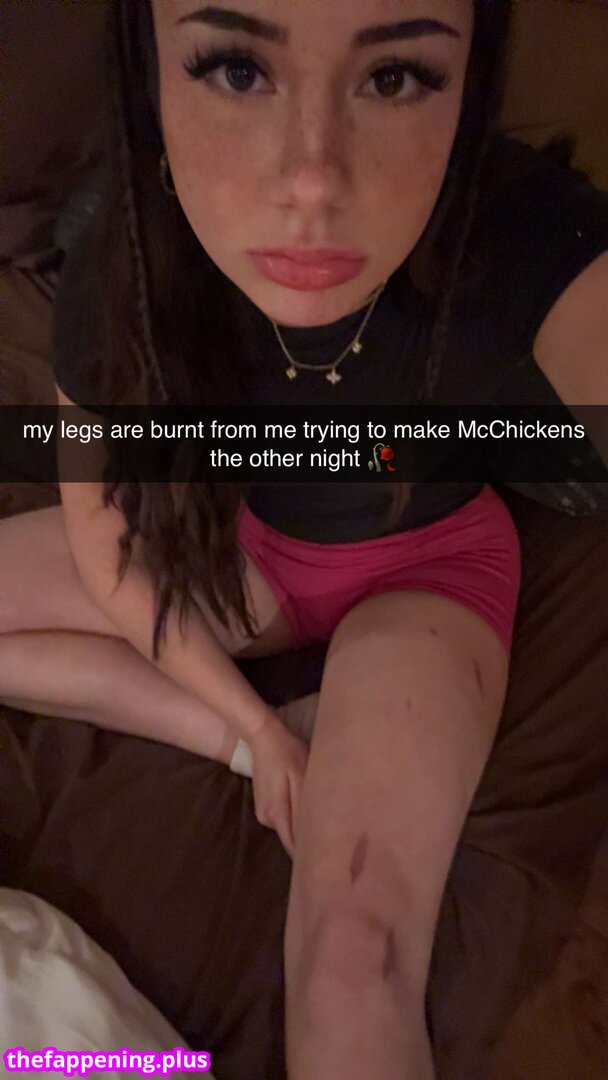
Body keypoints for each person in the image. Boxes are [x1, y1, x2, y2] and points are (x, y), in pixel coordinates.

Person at [0, 1, 607, 1077]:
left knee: (351, 963)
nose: (313, 181)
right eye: (237, 69)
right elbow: (108, 551)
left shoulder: (523, 230)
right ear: (152, 68)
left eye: (394, 77)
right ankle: (265, 728)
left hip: (430, 574)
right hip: (241, 554)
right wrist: (256, 738)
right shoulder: (123, 258)